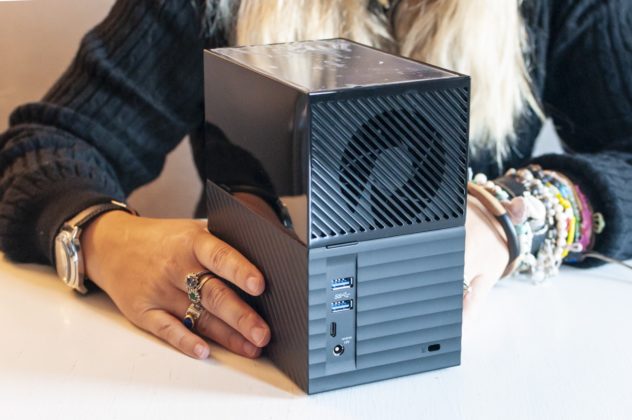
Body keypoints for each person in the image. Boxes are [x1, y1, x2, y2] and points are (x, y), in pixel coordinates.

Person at [0, 0, 630, 361]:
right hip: (245, 352)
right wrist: (103, 239)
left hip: (486, 357)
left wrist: (513, 217)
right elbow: (43, 147)